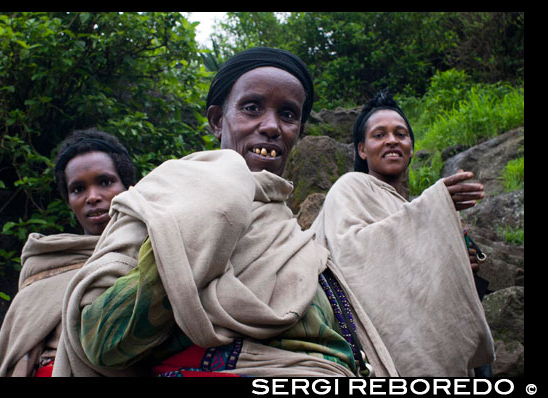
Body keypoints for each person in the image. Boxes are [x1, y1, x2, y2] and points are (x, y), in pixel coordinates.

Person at [53, 47, 398, 377]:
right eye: (252, 108)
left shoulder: (299, 240)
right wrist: (200, 227)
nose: (272, 126)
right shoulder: (162, 199)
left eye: (288, 114)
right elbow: (102, 341)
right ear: (218, 120)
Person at [309, 90, 495, 376]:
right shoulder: (351, 187)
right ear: (362, 149)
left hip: (433, 335)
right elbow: (351, 256)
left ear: (410, 147)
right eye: (379, 135)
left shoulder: (412, 207)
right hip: (385, 346)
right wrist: (432, 208)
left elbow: (420, 280)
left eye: (400, 134)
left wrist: (454, 260)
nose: (392, 140)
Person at [0, 128, 136, 377]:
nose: (92, 197)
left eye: (105, 182)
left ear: (128, 187)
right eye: (78, 189)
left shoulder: (153, 249)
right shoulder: (46, 263)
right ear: (68, 200)